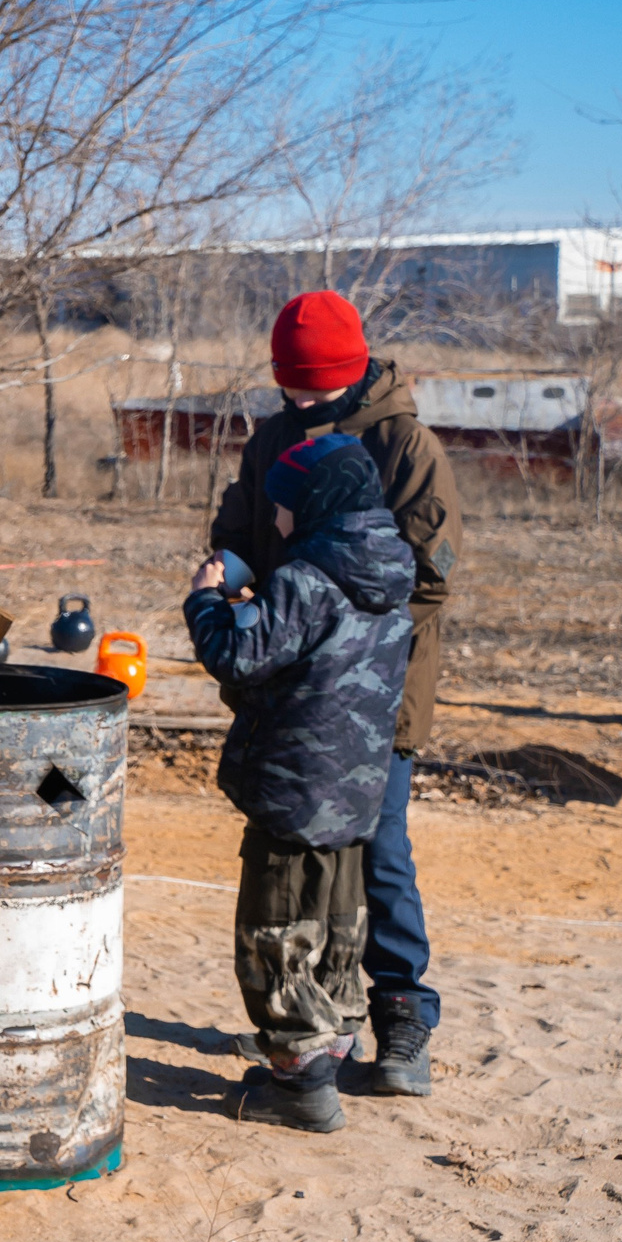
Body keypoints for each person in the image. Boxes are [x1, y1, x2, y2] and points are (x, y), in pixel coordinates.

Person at [210, 291, 457, 1097]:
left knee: (377, 850)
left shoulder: (404, 444)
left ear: (354, 370)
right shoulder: (274, 436)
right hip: (288, 688)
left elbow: (427, 580)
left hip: (375, 696)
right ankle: (318, 1028)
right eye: (292, 385)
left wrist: (327, 627)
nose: (303, 400)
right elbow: (239, 529)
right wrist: (240, 582)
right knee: (300, 865)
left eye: (317, 386)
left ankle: (401, 1015)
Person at [185, 435, 415, 1133]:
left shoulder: (306, 580)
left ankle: (301, 1081)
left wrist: (206, 601)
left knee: (274, 930)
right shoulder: (384, 573)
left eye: (284, 507)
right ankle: (334, 1042)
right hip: (355, 788)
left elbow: (237, 654)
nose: (277, 520)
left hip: (293, 784)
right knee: (338, 920)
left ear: (316, 505)